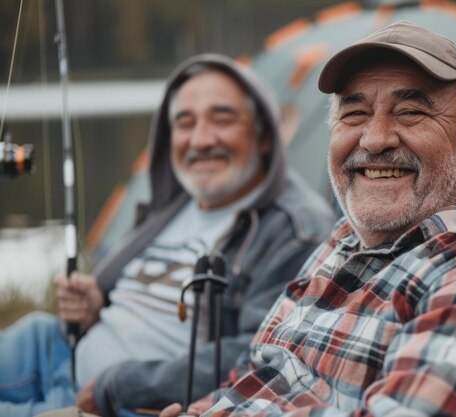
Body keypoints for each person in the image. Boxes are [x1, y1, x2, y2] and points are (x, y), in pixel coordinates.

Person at [161, 21, 456, 417]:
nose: (375, 138)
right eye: (355, 113)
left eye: (411, 112)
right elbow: (260, 373)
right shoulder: (346, 238)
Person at [0, 53, 336, 417]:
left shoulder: (295, 229)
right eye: (184, 123)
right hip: (54, 349)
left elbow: (263, 356)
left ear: (265, 135)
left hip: (126, 405)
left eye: (222, 119)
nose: (201, 139)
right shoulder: (172, 203)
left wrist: (122, 385)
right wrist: (96, 305)